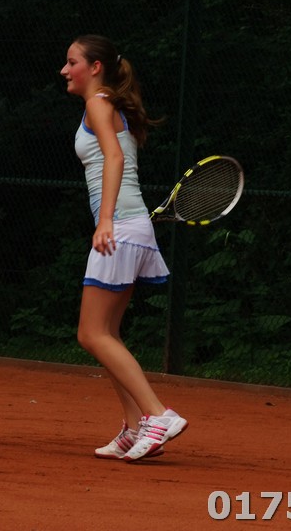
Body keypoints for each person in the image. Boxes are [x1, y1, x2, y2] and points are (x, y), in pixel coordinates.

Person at [60, 34, 188, 462]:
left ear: (95, 67)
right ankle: (135, 428)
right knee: (106, 334)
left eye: (72, 62)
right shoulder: (107, 104)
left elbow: (113, 159)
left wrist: (105, 220)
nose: (65, 70)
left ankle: (159, 415)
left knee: (91, 333)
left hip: (120, 228)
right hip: (132, 227)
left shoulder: (99, 103)